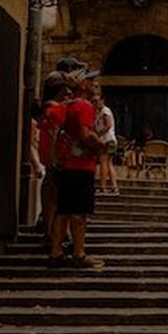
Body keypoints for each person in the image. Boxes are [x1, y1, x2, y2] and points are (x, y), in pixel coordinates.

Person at [48, 70, 104, 268]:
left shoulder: (69, 105)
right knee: (79, 212)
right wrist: (102, 146)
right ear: (82, 85)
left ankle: (56, 251)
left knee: (63, 210)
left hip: (66, 163)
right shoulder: (84, 106)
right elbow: (85, 134)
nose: (95, 84)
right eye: (91, 81)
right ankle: (79, 253)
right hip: (80, 165)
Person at [35, 71, 72, 250]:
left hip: (48, 153)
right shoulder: (56, 109)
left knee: (50, 189)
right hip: (54, 155)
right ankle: (52, 232)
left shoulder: (47, 108)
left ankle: (50, 230)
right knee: (55, 195)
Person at [93, 88, 119, 195]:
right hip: (109, 140)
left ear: (102, 100)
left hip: (107, 140)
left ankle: (103, 187)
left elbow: (107, 125)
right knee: (109, 163)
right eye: (94, 101)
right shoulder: (99, 112)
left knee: (103, 162)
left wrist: (98, 135)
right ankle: (114, 186)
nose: (95, 103)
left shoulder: (105, 111)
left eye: (97, 101)